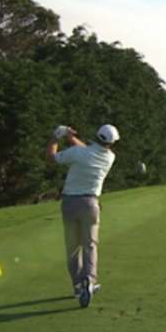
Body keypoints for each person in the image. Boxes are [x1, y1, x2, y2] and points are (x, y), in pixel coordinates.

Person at [46, 124, 119, 308]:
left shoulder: (79, 153)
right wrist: (70, 136)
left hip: (69, 204)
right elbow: (85, 151)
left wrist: (56, 137)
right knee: (90, 246)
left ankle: (78, 285)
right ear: (111, 143)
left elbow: (53, 157)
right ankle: (90, 282)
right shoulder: (110, 157)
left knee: (72, 249)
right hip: (91, 205)